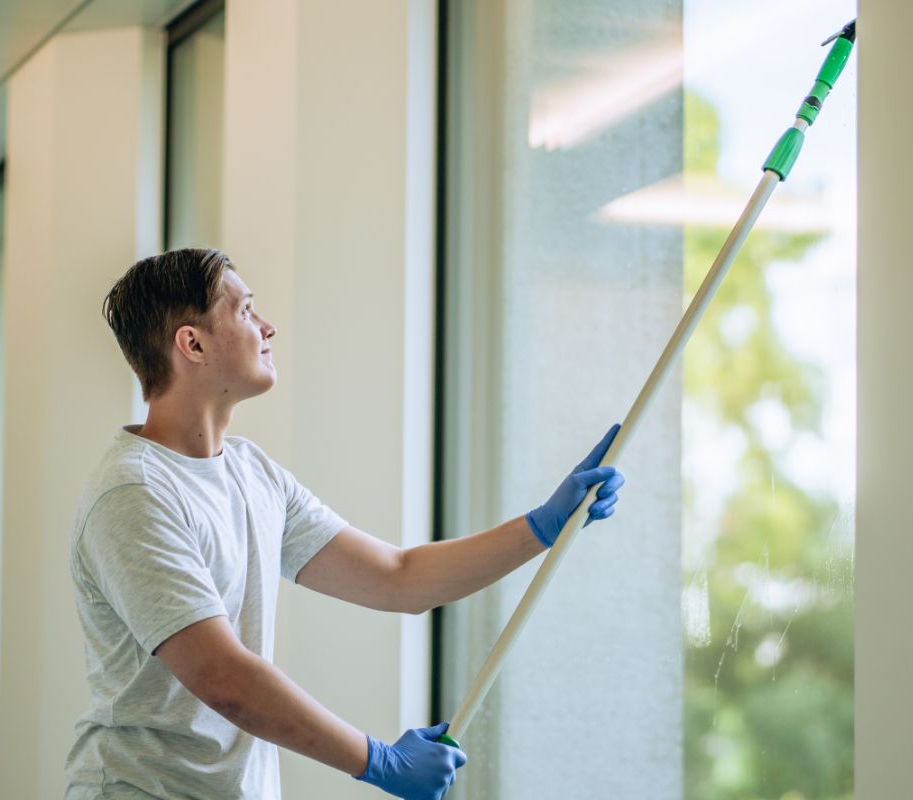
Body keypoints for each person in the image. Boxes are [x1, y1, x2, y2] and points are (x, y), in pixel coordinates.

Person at [64, 248, 625, 800]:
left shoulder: (250, 472)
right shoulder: (134, 493)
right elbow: (224, 678)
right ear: (192, 343)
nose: (268, 327)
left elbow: (397, 576)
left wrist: (543, 526)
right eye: (245, 311)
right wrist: (377, 761)